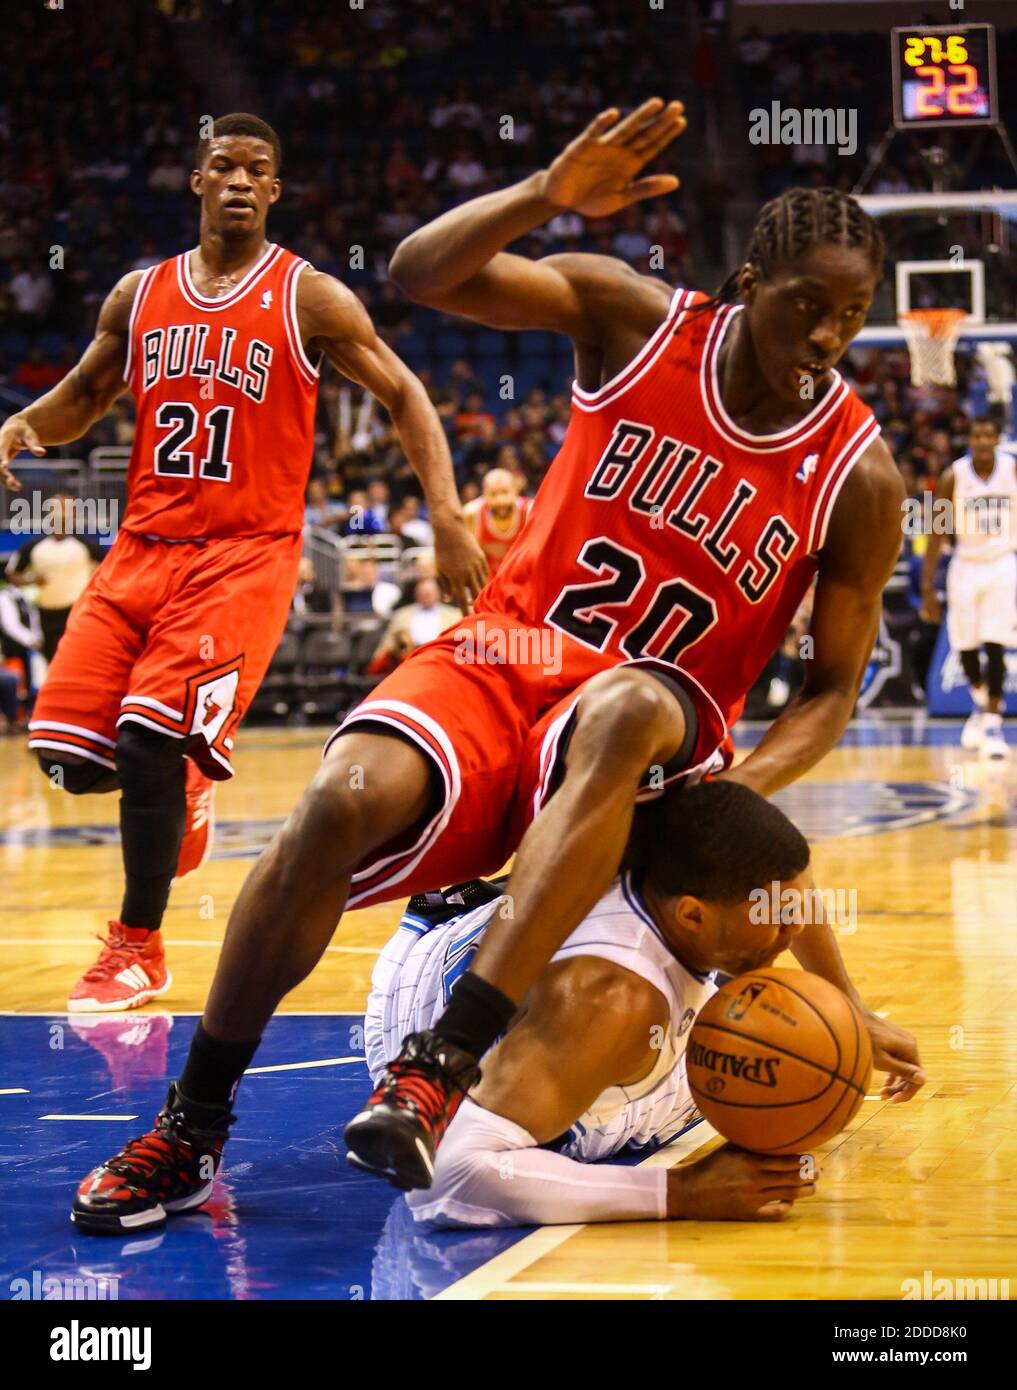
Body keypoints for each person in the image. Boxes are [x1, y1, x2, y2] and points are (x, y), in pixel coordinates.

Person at [70, 101, 917, 1221]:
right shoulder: (635, 318)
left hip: (658, 727)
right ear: (751, 279)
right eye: (808, 307)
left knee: (623, 704)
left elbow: (829, 696)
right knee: (339, 799)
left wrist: (725, 799)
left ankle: (442, 1065)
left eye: (848, 320)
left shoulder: (859, 476)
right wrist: (544, 198)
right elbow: (423, 272)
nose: (824, 340)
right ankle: (191, 1128)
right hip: (507, 655)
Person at [0, 112, 484, 1014]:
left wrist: (447, 515)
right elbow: (82, 396)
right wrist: (24, 424)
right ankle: (184, 783)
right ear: (196, 180)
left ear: (273, 189)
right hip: (140, 549)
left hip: (241, 556)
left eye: (255, 169)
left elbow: (405, 392)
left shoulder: (309, 297)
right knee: (68, 757)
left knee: (146, 737)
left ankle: (138, 948)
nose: (236, 180)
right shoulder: (138, 294)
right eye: (221, 164)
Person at [70, 781, 924, 1233]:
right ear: (692, 914)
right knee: (591, 1107)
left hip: (477, 944)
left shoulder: (693, 831)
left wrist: (848, 1010)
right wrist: (679, 1194)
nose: (784, 931)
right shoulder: (610, 998)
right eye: (763, 921)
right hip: (441, 1035)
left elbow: (788, 874)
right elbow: (450, 1181)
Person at [920, 417, 1015, 761]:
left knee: (995, 644)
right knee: (967, 649)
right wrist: (927, 584)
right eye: (977, 434)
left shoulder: (1012, 470)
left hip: (1002, 563)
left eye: (989, 434)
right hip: (965, 565)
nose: (983, 440)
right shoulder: (953, 476)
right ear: (970, 439)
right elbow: (937, 532)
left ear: (997, 438)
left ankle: (992, 723)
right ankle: (980, 704)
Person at [5, 495, 104, 661]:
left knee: (79, 658)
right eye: (57, 510)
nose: (62, 515)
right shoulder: (34, 546)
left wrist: (95, 577)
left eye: (67, 510)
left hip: (78, 611)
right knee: (53, 660)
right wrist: (31, 580)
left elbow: (111, 567)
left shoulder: (86, 545)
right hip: (47, 613)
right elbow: (12, 574)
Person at [366, 578, 461, 674]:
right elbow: (387, 644)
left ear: (438, 594)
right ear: (416, 595)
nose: (426, 596)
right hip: (408, 661)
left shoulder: (455, 615)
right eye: (422, 593)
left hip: (441, 660)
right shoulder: (401, 615)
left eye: (429, 593)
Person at [463, 467, 532, 577]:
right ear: (484, 493)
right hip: (488, 582)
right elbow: (468, 559)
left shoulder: (530, 511)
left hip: (523, 576)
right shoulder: (471, 514)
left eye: (505, 492)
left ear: (516, 491)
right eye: (493, 494)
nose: (500, 500)